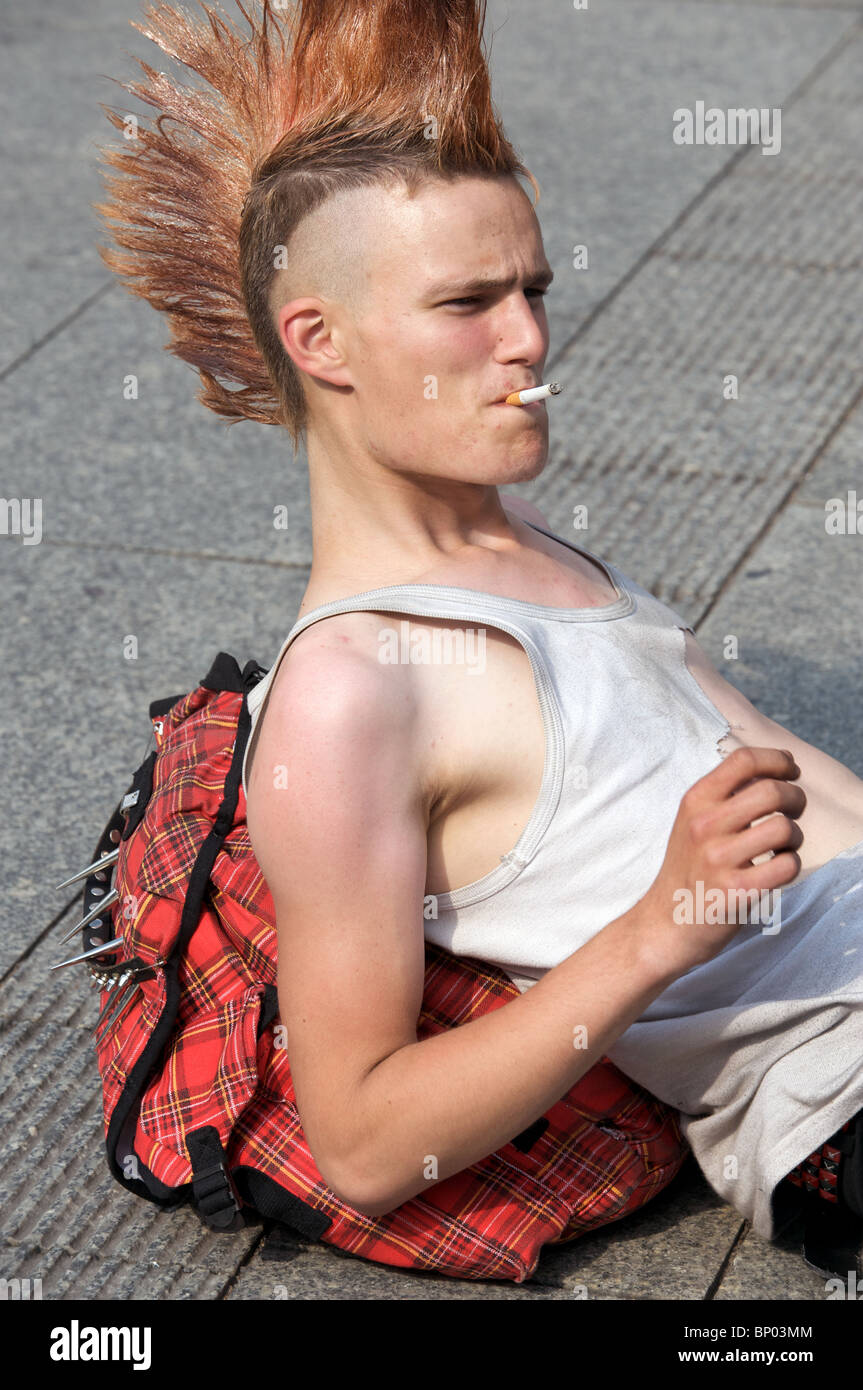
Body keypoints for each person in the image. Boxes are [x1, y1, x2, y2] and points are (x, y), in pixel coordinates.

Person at [95, 0, 863, 1280]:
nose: (529, 343)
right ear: (319, 341)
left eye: (532, 289)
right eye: (467, 303)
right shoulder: (347, 695)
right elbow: (363, 1140)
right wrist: (662, 922)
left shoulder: (517, 541)